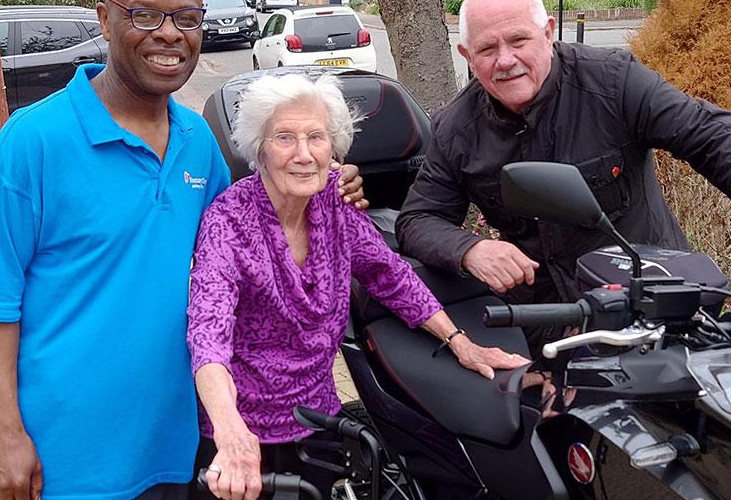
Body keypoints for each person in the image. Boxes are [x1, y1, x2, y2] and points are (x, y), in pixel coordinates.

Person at [0, 0, 364, 500]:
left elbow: (251, 235)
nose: (170, 35)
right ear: (104, 20)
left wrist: (329, 186)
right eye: (145, 15)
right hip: (63, 456)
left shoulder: (197, 141)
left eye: (187, 18)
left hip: (176, 447)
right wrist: (3, 432)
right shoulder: (31, 142)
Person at [186, 73, 531, 500]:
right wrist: (229, 430)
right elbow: (208, 333)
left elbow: (388, 274)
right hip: (241, 437)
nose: (304, 154)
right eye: (284, 138)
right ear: (259, 147)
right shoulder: (229, 222)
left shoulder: (334, 201)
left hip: (317, 419)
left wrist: (459, 341)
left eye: (316, 137)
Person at [395, 0, 731, 354]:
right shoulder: (456, 129)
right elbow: (418, 219)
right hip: (551, 329)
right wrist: (469, 250)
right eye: (487, 49)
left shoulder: (613, 81)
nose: (505, 60)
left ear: (548, 32)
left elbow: (711, 135)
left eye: (518, 40)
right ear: (467, 56)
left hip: (653, 313)